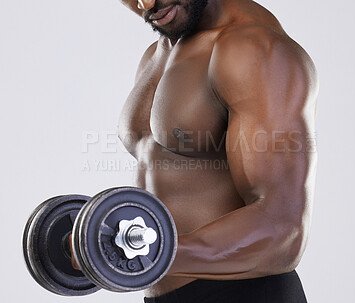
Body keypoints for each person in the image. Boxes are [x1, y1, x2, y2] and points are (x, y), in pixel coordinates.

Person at [113, 0, 318, 302]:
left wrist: (143, 254)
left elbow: (282, 229)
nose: (146, 3)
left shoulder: (255, 49)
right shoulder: (157, 54)